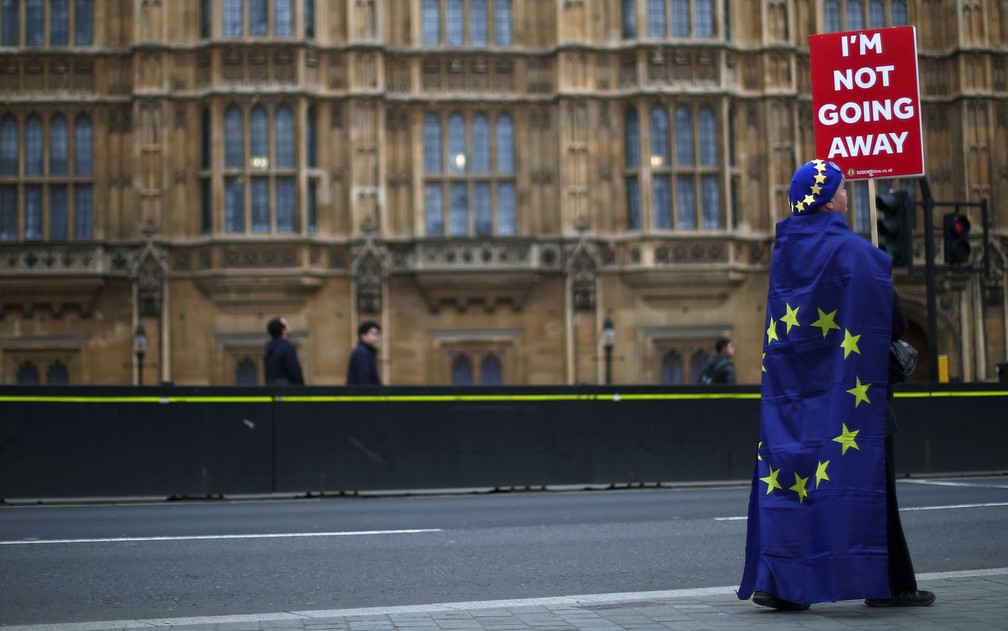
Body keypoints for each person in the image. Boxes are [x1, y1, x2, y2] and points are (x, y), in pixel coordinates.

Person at [737, 159, 934, 610]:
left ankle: (783, 584)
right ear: (830, 199)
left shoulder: (784, 250)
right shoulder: (853, 252)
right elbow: (896, 323)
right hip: (853, 398)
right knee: (869, 488)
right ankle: (891, 584)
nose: (847, 194)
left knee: (791, 485)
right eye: (843, 188)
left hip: (795, 399)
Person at [263, 316, 304, 386]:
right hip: (286, 389)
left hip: (272, 388)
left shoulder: (269, 347)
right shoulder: (286, 347)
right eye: (287, 325)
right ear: (283, 330)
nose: (289, 326)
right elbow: (294, 371)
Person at [346, 320, 382, 385]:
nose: (377, 337)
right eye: (374, 334)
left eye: (378, 334)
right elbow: (364, 383)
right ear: (363, 336)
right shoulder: (361, 353)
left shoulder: (368, 352)